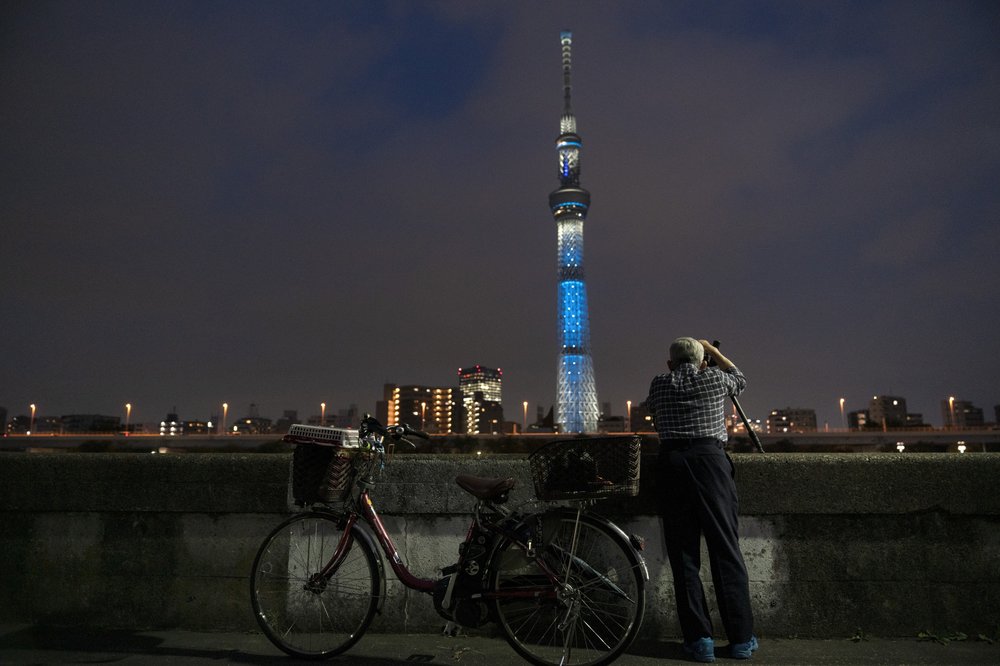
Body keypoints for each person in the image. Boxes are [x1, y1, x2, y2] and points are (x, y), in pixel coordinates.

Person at [646, 337, 758, 663]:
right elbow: (741, 379)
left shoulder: (659, 384)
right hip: (711, 465)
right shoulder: (713, 378)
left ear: (670, 363)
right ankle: (740, 639)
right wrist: (714, 353)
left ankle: (699, 640)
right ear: (702, 361)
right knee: (725, 551)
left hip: (672, 467)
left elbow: (651, 407)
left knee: (684, 557)